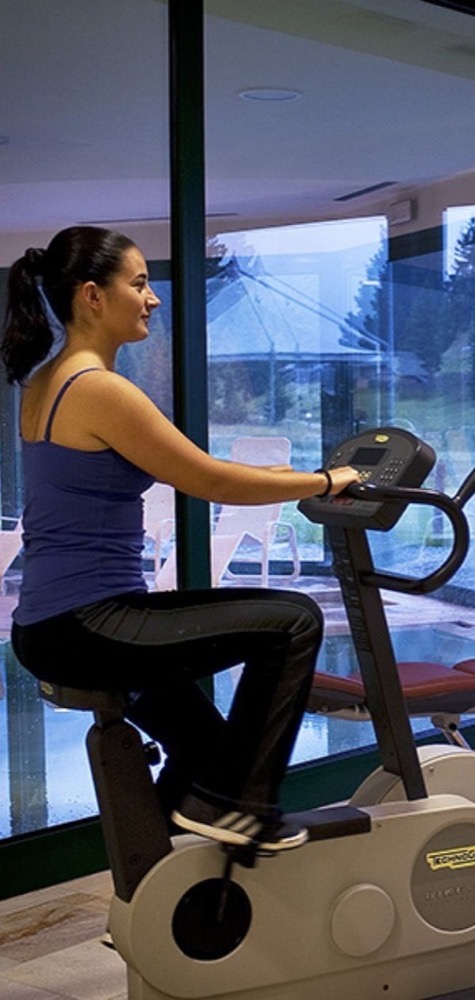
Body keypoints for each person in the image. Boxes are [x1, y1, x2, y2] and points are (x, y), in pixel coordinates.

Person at [0, 226, 361, 853]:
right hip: (91, 623)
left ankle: (160, 900)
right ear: (92, 295)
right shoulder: (101, 389)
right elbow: (207, 479)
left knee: (206, 750)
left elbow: (191, 465)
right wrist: (327, 479)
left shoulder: (46, 381)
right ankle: (244, 810)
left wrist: (281, 477)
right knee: (296, 621)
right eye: (138, 284)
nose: (153, 298)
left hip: (52, 623)